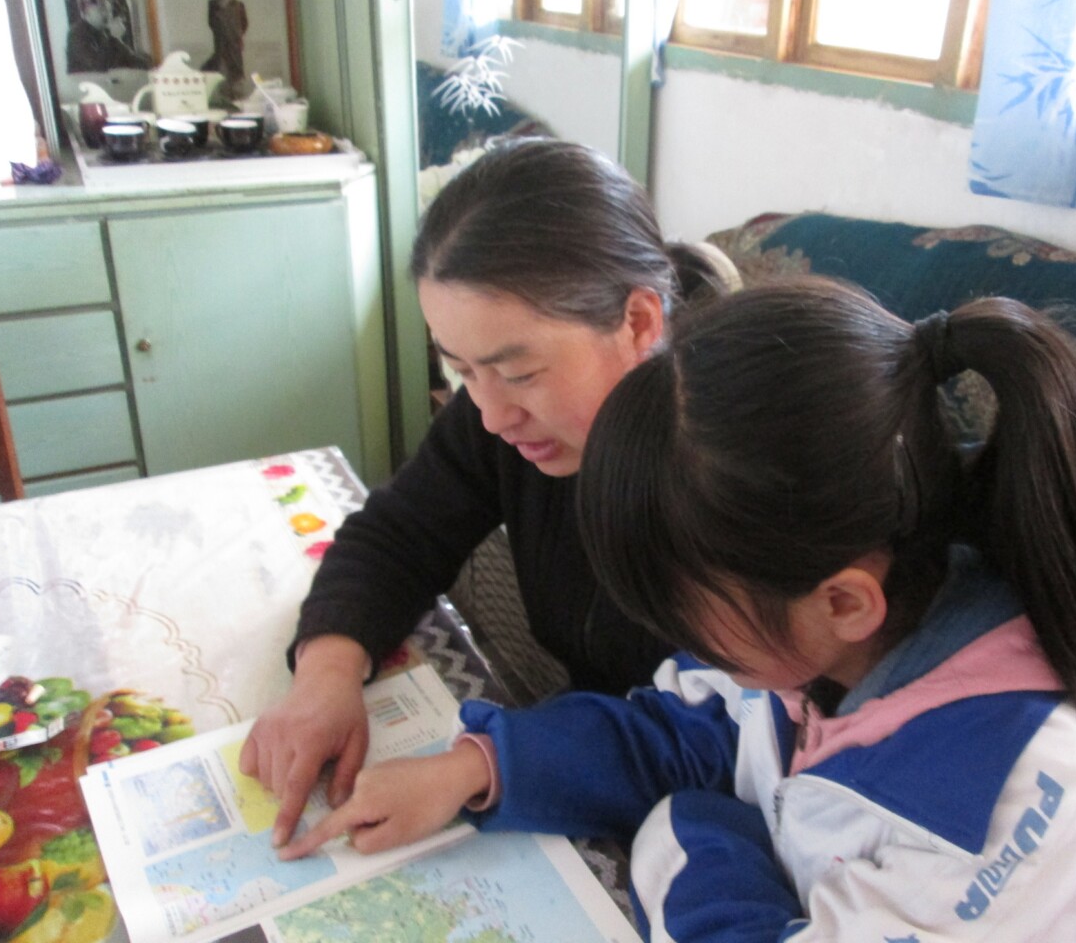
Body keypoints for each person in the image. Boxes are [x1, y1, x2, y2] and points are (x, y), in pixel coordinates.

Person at [280, 278, 1076, 941]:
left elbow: (696, 801)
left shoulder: (992, 806)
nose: (677, 640)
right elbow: (683, 729)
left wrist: (683, 834)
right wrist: (476, 767)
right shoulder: (819, 629)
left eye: (687, 613)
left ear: (844, 602)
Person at [240, 138, 736, 848]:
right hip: (582, 750)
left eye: (520, 373)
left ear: (638, 323)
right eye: (461, 370)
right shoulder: (504, 418)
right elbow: (402, 532)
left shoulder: (728, 468)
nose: (493, 415)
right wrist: (327, 672)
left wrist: (475, 768)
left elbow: (715, 732)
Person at [65, 0, 151, 73]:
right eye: (102, 8)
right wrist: (112, 35)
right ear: (87, 11)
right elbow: (97, 67)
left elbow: (129, 58)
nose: (107, 14)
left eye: (108, 9)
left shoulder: (105, 33)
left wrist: (147, 63)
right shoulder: (76, 34)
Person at [202, 0, 248, 98]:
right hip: (220, 45)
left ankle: (236, 96)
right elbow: (211, 22)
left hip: (234, 45)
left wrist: (235, 35)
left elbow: (244, 24)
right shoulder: (213, 4)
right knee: (221, 72)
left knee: (236, 74)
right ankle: (224, 97)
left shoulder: (238, 5)